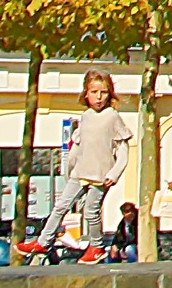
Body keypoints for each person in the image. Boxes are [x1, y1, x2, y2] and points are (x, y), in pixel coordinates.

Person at [42, 72, 133, 257]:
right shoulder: (85, 117)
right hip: (80, 172)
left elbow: (123, 152)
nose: (99, 98)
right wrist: (69, 171)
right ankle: (43, 241)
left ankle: (97, 246)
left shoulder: (112, 116)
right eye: (94, 92)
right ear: (86, 94)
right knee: (61, 206)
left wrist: (114, 174)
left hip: (101, 174)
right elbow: (77, 147)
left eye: (104, 93)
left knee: (91, 210)